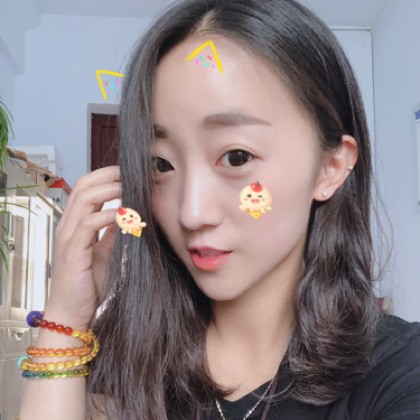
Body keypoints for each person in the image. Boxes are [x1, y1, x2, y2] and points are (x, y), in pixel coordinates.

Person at [19, 0, 420, 419]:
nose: (191, 213)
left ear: (330, 167)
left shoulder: (398, 372)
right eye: (161, 164)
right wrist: (65, 321)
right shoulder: (127, 358)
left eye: (236, 157)